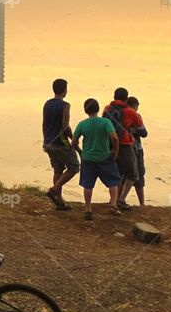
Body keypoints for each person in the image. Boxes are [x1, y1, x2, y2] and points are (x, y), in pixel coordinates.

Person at [72, 98, 122, 220]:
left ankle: (88, 209)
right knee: (113, 181)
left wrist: (80, 152)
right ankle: (113, 205)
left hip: (88, 158)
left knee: (88, 184)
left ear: (85, 110)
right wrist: (115, 150)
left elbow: (73, 141)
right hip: (104, 156)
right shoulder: (105, 122)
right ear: (98, 109)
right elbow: (114, 138)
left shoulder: (82, 124)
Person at [102, 88, 145, 211]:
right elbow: (143, 132)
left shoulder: (107, 108)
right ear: (126, 99)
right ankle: (121, 200)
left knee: (117, 174)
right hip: (125, 145)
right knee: (133, 173)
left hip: (109, 144)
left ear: (114, 97)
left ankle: (113, 200)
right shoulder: (130, 112)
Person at [42, 78, 79, 210]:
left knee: (58, 169)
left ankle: (59, 201)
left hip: (49, 142)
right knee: (74, 167)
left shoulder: (47, 104)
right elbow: (65, 126)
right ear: (65, 91)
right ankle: (54, 190)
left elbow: (44, 123)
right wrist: (74, 139)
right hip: (60, 143)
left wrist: (45, 140)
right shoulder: (65, 105)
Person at [123, 96, 148, 207]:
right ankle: (141, 203)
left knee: (123, 175)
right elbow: (144, 133)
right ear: (135, 106)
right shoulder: (136, 116)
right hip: (136, 148)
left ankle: (117, 199)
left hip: (123, 148)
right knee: (139, 175)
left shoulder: (120, 115)